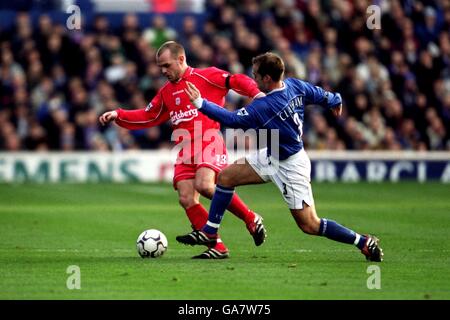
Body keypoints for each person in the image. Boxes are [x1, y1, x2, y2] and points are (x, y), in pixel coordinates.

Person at [177, 52, 384, 262]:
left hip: (290, 166)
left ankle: (363, 242)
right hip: (271, 154)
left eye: (256, 75)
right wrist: (335, 100)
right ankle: (211, 231)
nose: (254, 79)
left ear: (267, 78)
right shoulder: (295, 86)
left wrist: (200, 103)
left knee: (310, 224)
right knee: (225, 178)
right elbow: (320, 94)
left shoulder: (265, 106)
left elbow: (231, 119)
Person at [99, 41, 266, 259]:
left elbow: (235, 80)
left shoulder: (206, 76)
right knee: (186, 198)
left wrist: (256, 93)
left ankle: (251, 218)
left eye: (167, 65)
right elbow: (149, 115)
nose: (163, 71)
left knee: (205, 186)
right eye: (160, 67)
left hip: (208, 140)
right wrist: (118, 115)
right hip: (185, 147)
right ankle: (218, 247)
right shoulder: (166, 92)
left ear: (181, 59)